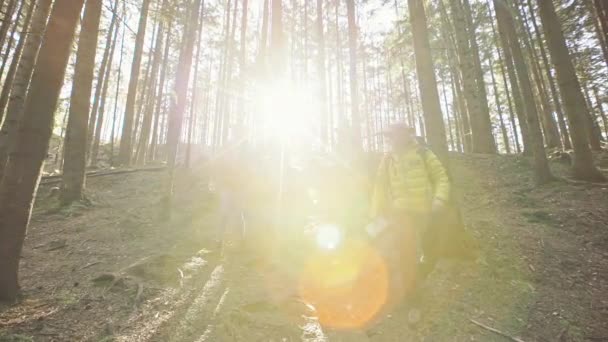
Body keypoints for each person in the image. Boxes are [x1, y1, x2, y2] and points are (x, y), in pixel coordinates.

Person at [369, 123, 450, 323]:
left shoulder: (423, 153)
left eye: (395, 135)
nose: (392, 139)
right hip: (400, 215)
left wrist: (439, 199)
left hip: (424, 213)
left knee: (420, 255)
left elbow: (441, 178)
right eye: (389, 136)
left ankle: (416, 290)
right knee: (402, 256)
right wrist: (375, 214)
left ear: (406, 135)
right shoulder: (387, 159)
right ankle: (410, 298)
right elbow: (379, 188)